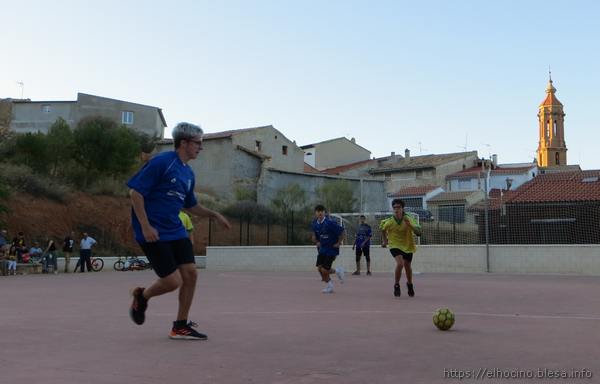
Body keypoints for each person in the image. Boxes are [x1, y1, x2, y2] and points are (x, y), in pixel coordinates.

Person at [127, 122, 231, 340]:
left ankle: (180, 326)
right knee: (172, 282)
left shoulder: (188, 173)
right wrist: (145, 225)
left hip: (175, 229)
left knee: (191, 274)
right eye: (198, 143)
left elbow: (191, 205)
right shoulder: (162, 163)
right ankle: (142, 296)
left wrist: (214, 214)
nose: (200, 148)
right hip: (153, 231)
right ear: (183, 143)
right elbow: (136, 194)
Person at [380, 199, 422, 297]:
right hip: (394, 244)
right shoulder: (390, 221)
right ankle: (396, 285)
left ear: (403, 208)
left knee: (407, 266)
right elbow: (383, 229)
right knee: (400, 263)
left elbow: (419, 233)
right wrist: (385, 241)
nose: (396, 209)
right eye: (394, 207)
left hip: (408, 245)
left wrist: (410, 225)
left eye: (398, 207)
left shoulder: (409, 219)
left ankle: (409, 284)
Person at [311, 204, 345, 294]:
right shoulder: (315, 224)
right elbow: (315, 234)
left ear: (324, 212)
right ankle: (331, 283)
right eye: (318, 211)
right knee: (319, 269)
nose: (320, 213)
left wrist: (338, 243)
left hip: (331, 249)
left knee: (324, 270)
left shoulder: (330, 223)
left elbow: (342, 232)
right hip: (322, 249)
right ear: (315, 213)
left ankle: (334, 278)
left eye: (322, 211)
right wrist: (315, 240)